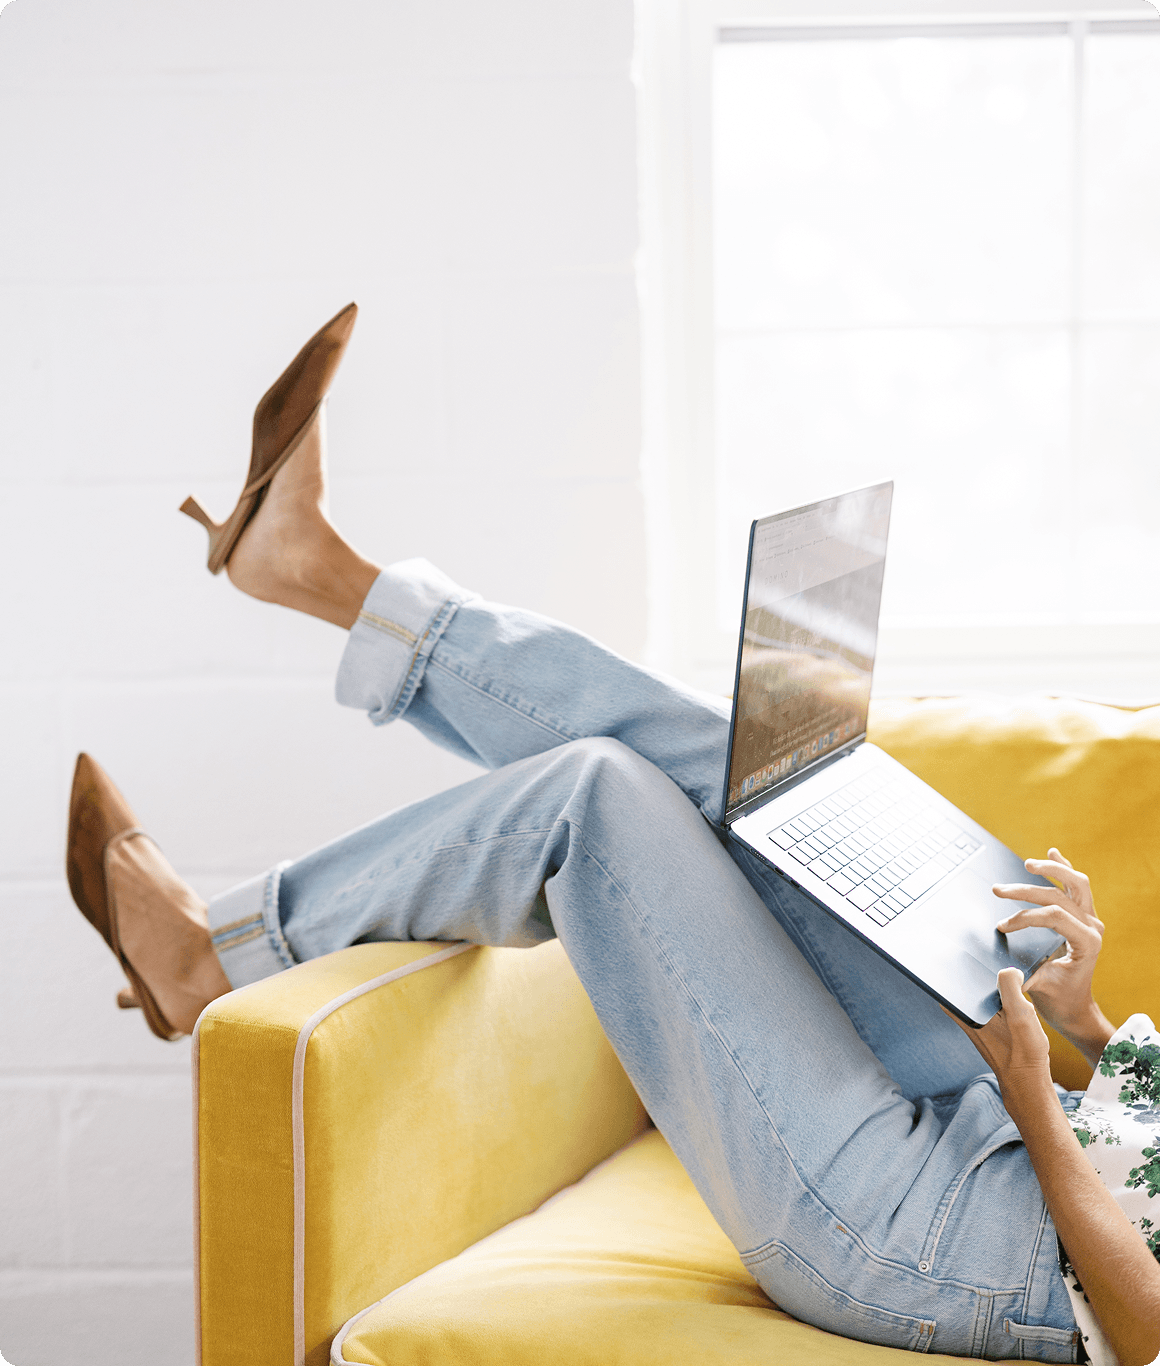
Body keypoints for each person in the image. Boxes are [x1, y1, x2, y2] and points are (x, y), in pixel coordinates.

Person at [65, 306, 1160, 1366]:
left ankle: (209, 958)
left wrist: (1035, 1102)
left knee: (591, 798)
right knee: (775, 781)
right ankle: (324, 577)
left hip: (931, 1239)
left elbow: (1146, 1324)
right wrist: (1084, 1025)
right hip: (1020, 1130)